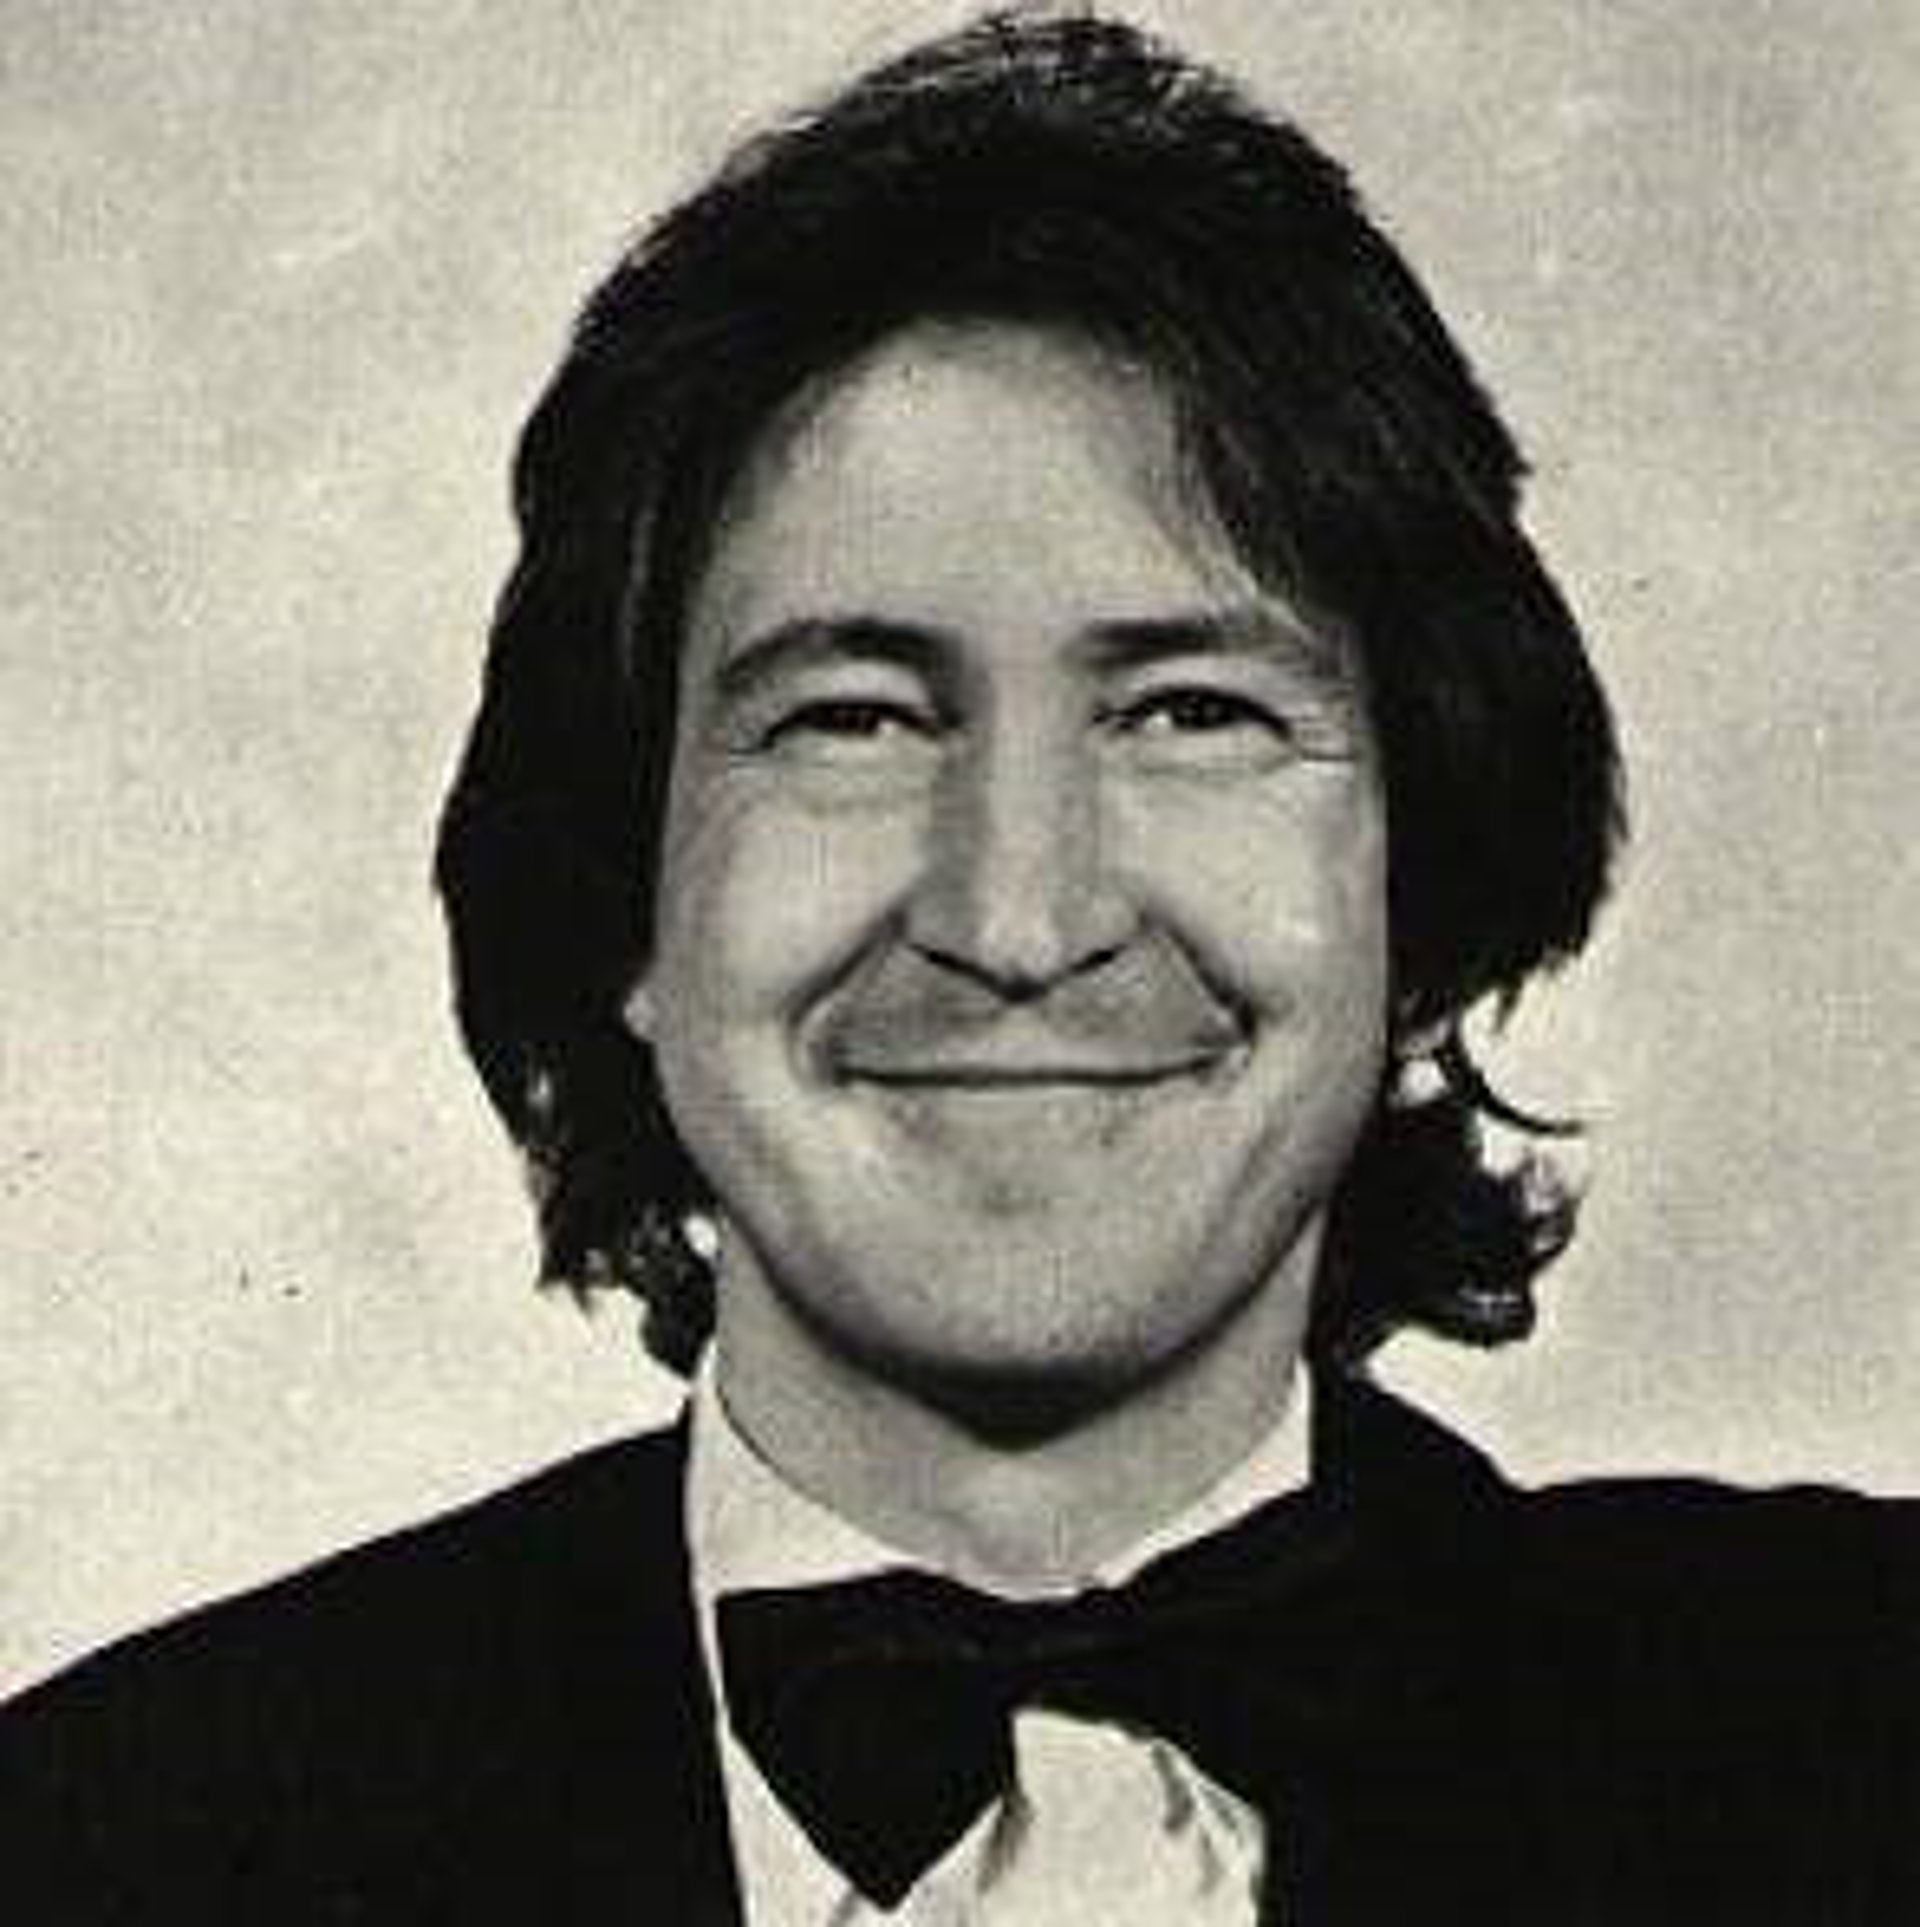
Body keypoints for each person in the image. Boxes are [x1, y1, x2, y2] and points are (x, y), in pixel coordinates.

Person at [3, 12, 1912, 1923]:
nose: (1017, 921)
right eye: (851, 718)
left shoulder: (1862, 1739)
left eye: (1189, 713)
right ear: (625, 909)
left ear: (1426, 903)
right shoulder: (99, 1843)